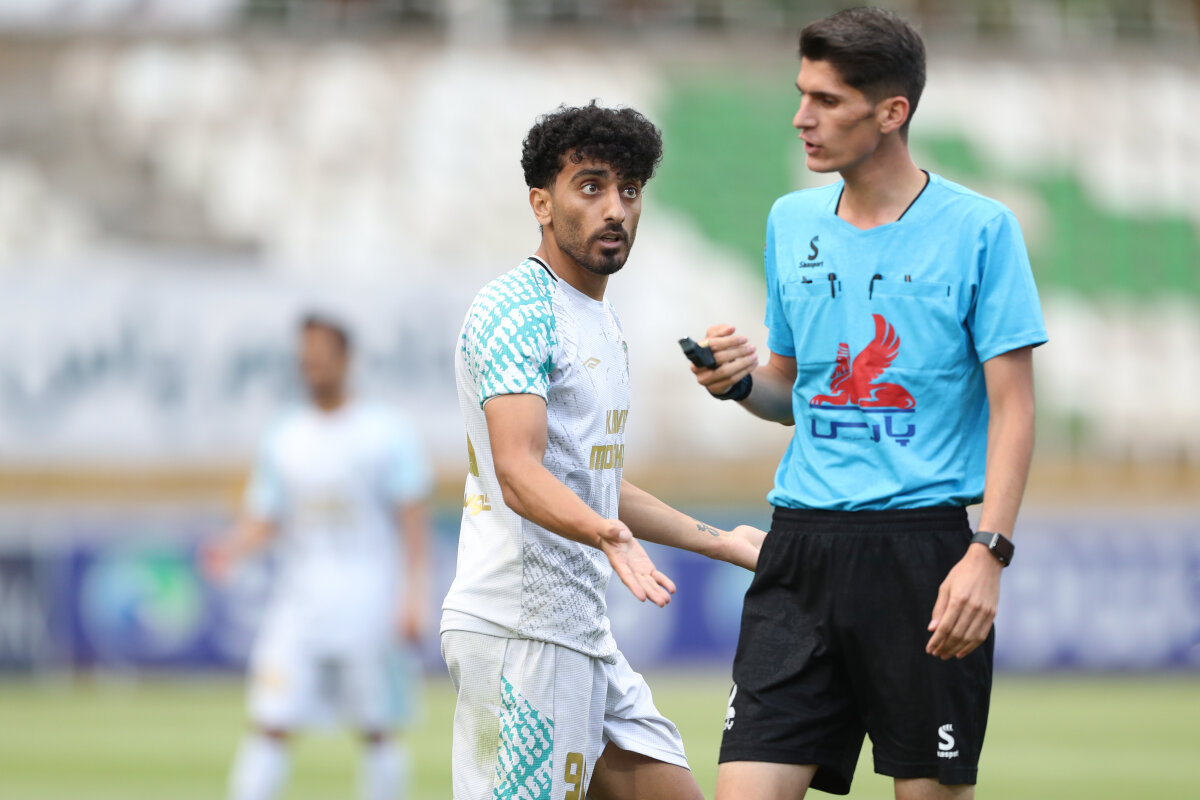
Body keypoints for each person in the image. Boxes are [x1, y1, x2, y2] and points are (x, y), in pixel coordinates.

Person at [688, 8, 1048, 799]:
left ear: (892, 113)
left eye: (826, 100)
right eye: (801, 94)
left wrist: (988, 553)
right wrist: (740, 384)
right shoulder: (790, 221)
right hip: (798, 547)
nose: (801, 117)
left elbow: (1015, 408)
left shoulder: (982, 230)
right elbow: (792, 393)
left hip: (922, 555)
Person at [440, 101, 767, 800]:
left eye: (629, 190)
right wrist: (604, 532)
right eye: (590, 187)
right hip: (520, 636)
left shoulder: (601, 317)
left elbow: (594, 483)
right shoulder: (516, 311)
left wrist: (721, 541)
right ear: (541, 202)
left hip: (582, 634)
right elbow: (518, 470)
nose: (615, 209)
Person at [204, 313, 433, 800]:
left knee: (378, 727)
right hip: (298, 605)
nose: (312, 366)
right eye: (305, 357)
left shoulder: (385, 432)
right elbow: (267, 515)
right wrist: (231, 548)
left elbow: (412, 519)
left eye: (321, 356)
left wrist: (415, 595)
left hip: (369, 603)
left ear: (345, 359)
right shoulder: (285, 435)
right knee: (269, 720)